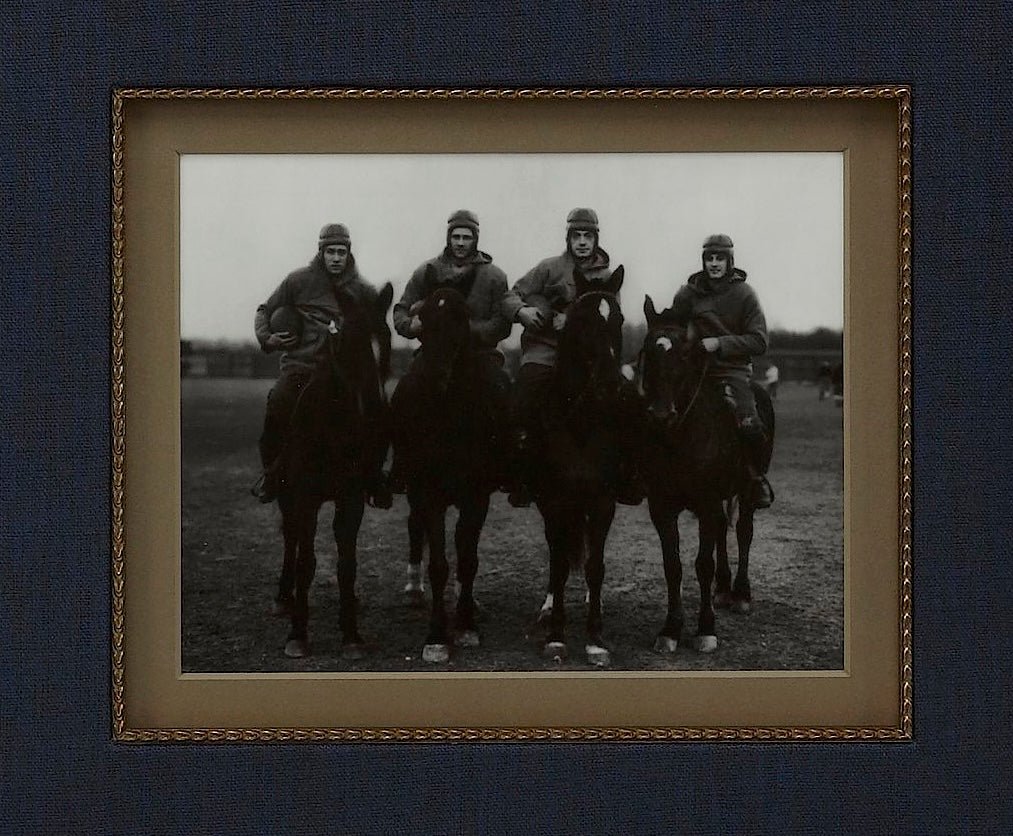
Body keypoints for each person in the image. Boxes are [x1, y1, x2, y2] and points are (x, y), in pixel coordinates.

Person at [501, 207, 643, 507]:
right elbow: (511, 295)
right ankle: (521, 474)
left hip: (591, 359)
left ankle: (627, 474)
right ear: (568, 238)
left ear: (595, 239)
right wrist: (522, 311)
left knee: (629, 402)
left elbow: (611, 319)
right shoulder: (548, 268)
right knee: (521, 401)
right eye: (576, 236)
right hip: (546, 350)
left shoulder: (607, 276)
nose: (582, 242)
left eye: (587, 236)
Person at [251, 223, 391, 507]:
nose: (336, 258)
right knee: (278, 401)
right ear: (321, 252)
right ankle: (273, 475)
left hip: (347, 374)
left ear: (349, 253)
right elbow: (264, 310)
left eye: (341, 252)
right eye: (331, 252)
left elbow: (378, 327)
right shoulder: (297, 281)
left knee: (380, 412)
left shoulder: (363, 290)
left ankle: (374, 478)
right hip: (302, 367)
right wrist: (269, 338)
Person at [389, 209, 513, 489]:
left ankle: (506, 467)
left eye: (466, 237)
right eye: (455, 236)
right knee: (404, 392)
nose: (460, 243)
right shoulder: (427, 271)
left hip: (479, 353)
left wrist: (468, 331)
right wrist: (413, 326)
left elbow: (502, 321)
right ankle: (400, 465)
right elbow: (401, 309)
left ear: (476, 239)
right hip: (434, 353)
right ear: (448, 237)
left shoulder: (494, 276)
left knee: (502, 389)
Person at [670, 233, 774, 508]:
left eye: (720, 258)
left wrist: (719, 343)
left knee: (749, 422)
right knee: (657, 407)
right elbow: (673, 327)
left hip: (732, 370)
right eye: (709, 258)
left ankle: (754, 478)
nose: (714, 264)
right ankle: (647, 476)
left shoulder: (744, 294)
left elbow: (760, 341)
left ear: (730, 261)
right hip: (692, 368)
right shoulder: (687, 293)